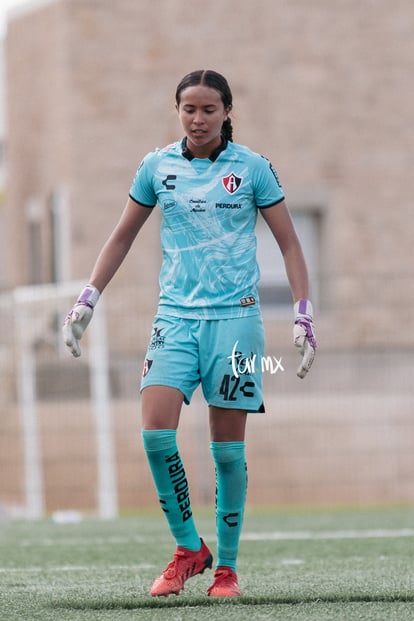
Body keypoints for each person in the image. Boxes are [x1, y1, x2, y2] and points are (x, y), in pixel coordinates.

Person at [63, 69, 316, 598]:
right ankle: (187, 549)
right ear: (177, 111)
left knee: (227, 451)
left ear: (227, 111)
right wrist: (88, 297)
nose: (197, 118)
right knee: (156, 436)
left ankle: (226, 569)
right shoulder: (156, 167)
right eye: (188, 109)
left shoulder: (253, 169)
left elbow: (291, 244)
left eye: (208, 109)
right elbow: (121, 237)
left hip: (237, 324)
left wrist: (302, 313)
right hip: (174, 319)